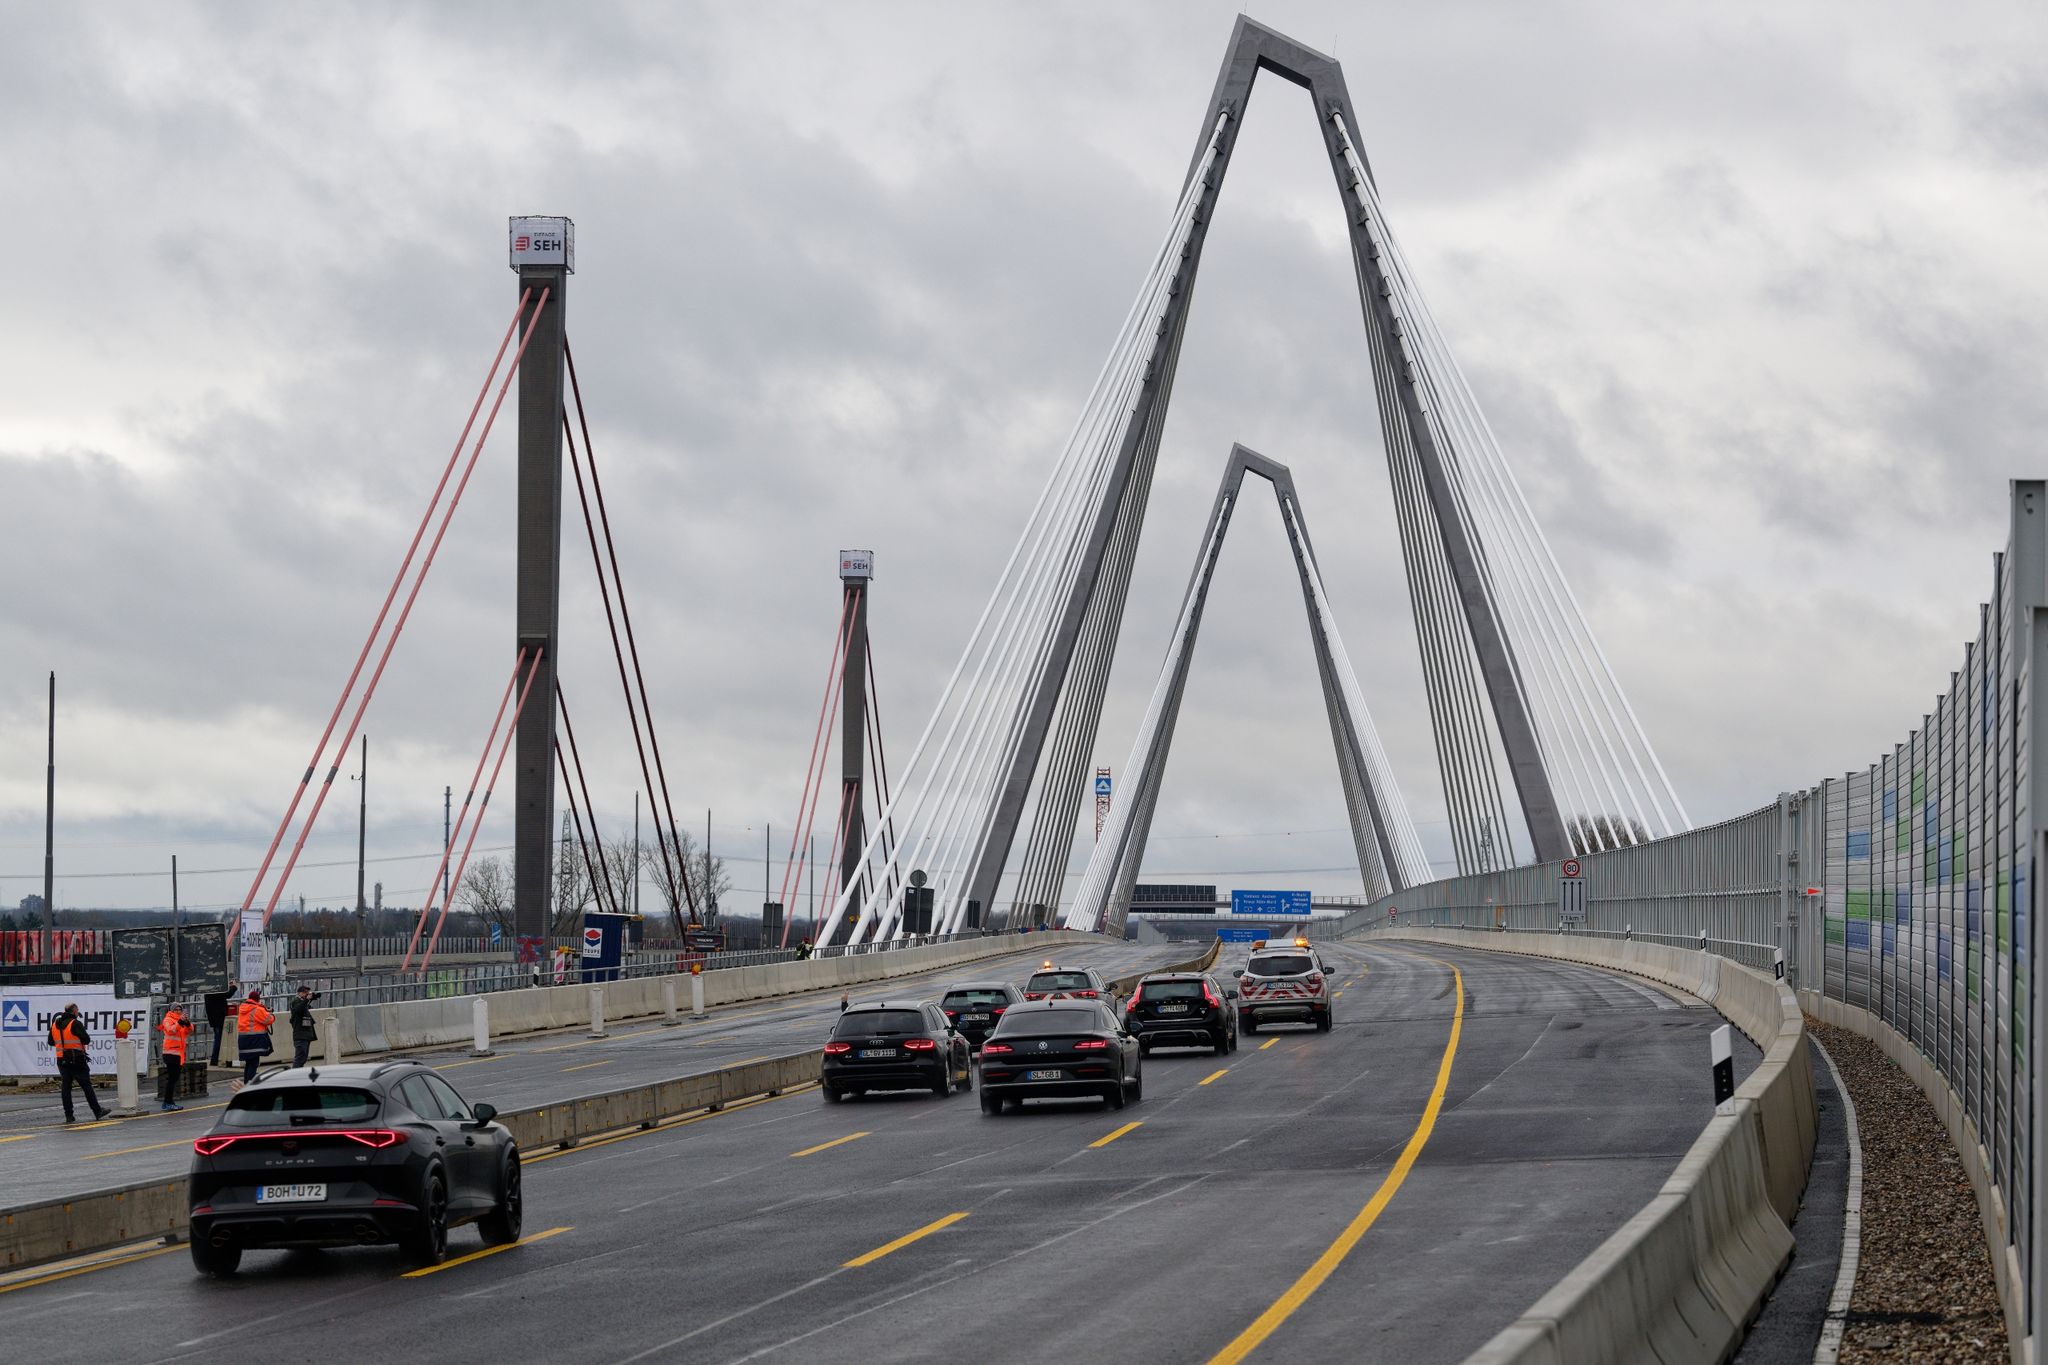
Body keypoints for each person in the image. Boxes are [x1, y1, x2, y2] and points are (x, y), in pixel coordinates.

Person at [48, 1003, 107, 1124]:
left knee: (66, 1087)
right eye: (77, 1011)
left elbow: (50, 1042)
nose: (77, 1013)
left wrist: (63, 1045)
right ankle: (97, 1111)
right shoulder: (75, 1023)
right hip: (77, 1058)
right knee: (86, 1085)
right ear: (74, 1011)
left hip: (62, 1059)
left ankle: (69, 1116)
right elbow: (86, 1040)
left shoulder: (55, 1024)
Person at [234, 989, 275, 1088]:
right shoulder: (257, 1009)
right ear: (258, 999)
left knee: (249, 1063)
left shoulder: (242, 1008)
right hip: (254, 1041)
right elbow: (268, 1020)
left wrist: (263, 1009)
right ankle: (250, 1086)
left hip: (243, 1040)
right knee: (254, 1063)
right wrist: (271, 1014)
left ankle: (246, 1083)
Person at [157, 1003, 192, 1111]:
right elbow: (171, 1029)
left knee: (174, 1079)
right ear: (171, 1010)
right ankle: (167, 1102)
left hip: (178, 1054)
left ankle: (169, 1101)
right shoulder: (168, 1019)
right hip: (170, 1053)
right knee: (172, 1079)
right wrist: (181, 1022)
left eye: (179, 1009)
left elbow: (189, 1031)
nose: (178, 1011)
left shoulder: (179, 1020)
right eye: (176, 1009)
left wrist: (187, 1023)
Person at [287, 984, 321, 1068]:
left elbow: (305, 1006)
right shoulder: (295, 1001)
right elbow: (298, 1009)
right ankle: (294, 1075)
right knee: (299, 1058)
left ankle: (298, 1074)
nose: (307, 994)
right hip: (300, 1035)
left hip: (305, 1034)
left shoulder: (302, 1001)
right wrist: (307, 1000)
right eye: (305, 993)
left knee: (303, 1058)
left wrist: (311, 998)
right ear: (300, 993)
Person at [203, 988, 231, 1067]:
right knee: (219, 1039)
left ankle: (217, 1058)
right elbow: (227, 995)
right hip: (219, 1018)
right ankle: (215, 1059)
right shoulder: (215, 991)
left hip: (214, 1019)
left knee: (218, 1038)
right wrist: (234, 987)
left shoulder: (208, 991)